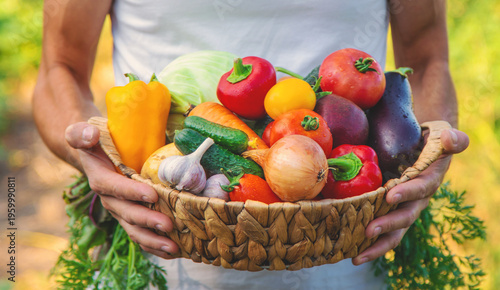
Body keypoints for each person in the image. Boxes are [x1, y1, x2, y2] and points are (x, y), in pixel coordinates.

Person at [34, 0, 469, 289]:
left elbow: (429, 59)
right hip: (155, 256)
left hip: (351, 246)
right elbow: (60, 65)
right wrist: (93, 155)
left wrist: (426, 158)